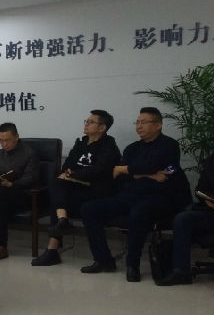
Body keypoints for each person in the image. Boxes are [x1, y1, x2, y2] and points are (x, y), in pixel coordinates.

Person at [80, 107, 190, 282]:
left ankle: (133, 265)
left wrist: (131, 170)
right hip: (131, 195)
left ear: (158, 125)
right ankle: (103, 259)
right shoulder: (132, 148)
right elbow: (119, 174)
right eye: (137, 122)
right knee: (89, 209)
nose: (139, 126)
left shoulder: (169, 145)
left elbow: (160, 167)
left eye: (144, 122)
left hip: (160, 196)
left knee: (139, 212)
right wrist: (148, 174)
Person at [158, 131, 214, 297]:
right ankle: (181, 271)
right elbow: (200, 189)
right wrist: (211, 198)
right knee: (183, 219)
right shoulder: (212, 162)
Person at [32, 110, 121, 266]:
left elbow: (99, 170)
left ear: (102, 128)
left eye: (91, 122)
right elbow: (67, 166)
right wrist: (69, 173)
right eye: (86, 121)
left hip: (96, 190)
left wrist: (74, 174)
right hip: (76, 188)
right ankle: (61, 224)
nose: (86, 124)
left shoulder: (109, 146)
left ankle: (54, 246)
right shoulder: (81, 143)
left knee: (58, 198)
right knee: (58, 191)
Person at [0, 122, 40, 262]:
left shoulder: (29, 154)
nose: (4, 144)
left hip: (24, 195)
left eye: (8, 140)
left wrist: (12, 184)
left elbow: (31, 178)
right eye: (1, 140)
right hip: (2, 194)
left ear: (16, 137)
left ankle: (1, 246)